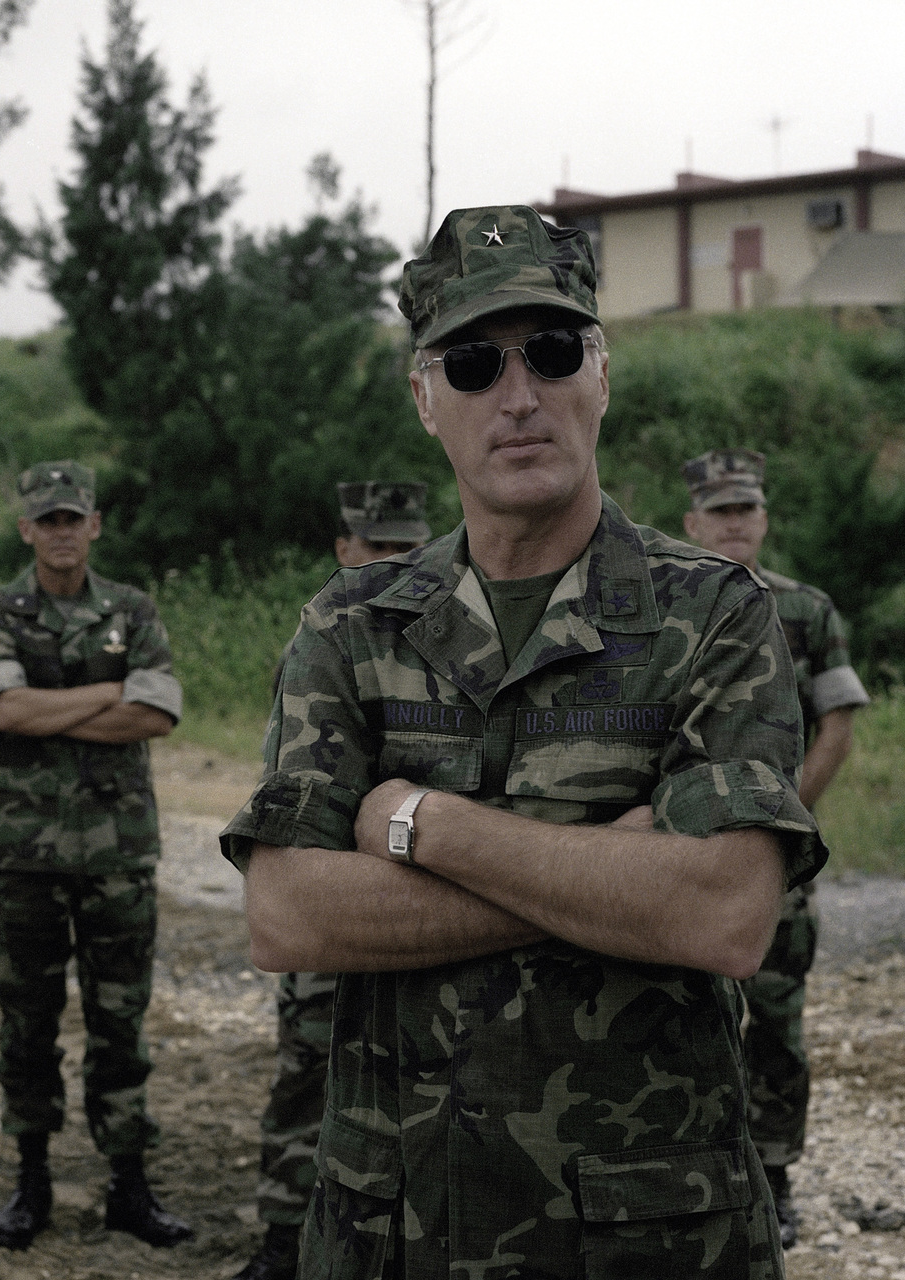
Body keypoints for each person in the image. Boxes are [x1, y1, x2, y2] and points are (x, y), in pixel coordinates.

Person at [222, 205, 826, 1279]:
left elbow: (724, 911)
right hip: (395, 1227)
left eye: (551, 351)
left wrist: (423, 823)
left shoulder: (715, 614)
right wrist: (611, 867)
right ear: (423, 396)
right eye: (469, 362)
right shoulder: (352, 624)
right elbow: (287, 911)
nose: (516, 396)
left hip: (651, 1235)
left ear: (600, 374)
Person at [0, 461, 192, 1251]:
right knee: (26, 1021)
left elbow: (159, 714)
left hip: (117, 851)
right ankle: (31, 1183)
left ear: (94, 526)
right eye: (47, 520)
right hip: (23, 853)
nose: (62, 532)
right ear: (26, 529)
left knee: (119, 1021)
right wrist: (109, 691)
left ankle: (129, 1182)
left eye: (74, 518)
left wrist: (47, 708)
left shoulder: (132, 606)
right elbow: (3, 707)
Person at [236, 481, 430, 1280]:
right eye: (374, 546)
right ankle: (283, 1238)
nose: (391, 561)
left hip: (414, 902)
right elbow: (304, 802)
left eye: (404, 545)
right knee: (308, 1068)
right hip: (331, 894)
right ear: (344, 550)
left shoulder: (454, 645)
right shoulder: (324, 642)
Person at [682, 447, 869, 1247]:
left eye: (746, 510)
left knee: (778, 1020)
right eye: (719, 511)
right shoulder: (666, 606)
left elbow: (839, 724)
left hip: (777, 857)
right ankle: (691, 1173)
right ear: (692, 521)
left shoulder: (807, 611)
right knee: (678, 1016)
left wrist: (784, 821)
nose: (734, 523)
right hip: (682, 857)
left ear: (764, 518)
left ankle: (777, 1176)